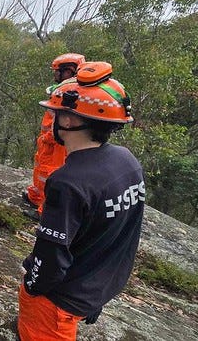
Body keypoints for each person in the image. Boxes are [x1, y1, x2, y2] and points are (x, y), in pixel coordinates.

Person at [17, 61, 142, 340]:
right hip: (94, 287)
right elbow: (122, 234)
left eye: (55, 113)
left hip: (58, 303)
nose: (51, 120)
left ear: (70, 119)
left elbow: (52, 255)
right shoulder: (127, 162)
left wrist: (31, 285)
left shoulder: (67, 182)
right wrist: (95, 294)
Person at [23, 53, 85, 220]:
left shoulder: (75, 94)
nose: (55, 74)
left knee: (51, 175)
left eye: (58, 71)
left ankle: (45, 212)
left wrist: (49, 137)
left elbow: (65, 123)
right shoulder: (64, 90)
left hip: (56, 144)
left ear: (69, 71)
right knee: (40, 169)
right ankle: (35, 197)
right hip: (47, 143)